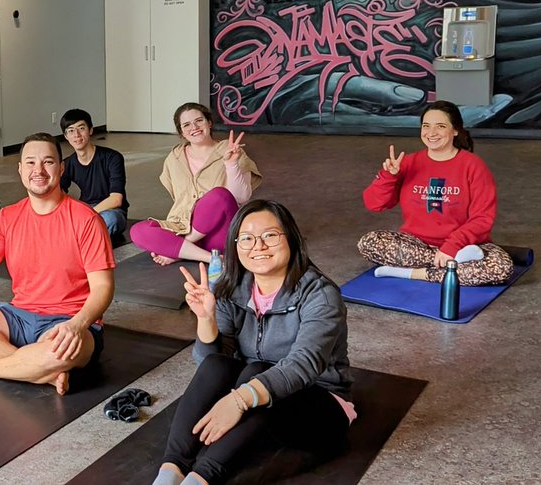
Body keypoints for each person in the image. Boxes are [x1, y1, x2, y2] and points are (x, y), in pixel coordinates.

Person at [153, 200, 353, 485]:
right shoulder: (232, 288)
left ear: (291, 238)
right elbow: (210, 363)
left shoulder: (320, 294)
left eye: (270, 235)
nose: (258, 246)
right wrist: (206, 318)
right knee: (217, 365)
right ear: (235, 246)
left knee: (255, 371)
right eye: (246, 238)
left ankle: (200, 479)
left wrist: (238, 400)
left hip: (318, 408)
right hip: (254, 395)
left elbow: (303, 365)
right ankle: (169, 472)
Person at [0, 133, 115, 395]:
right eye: (30, 163)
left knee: (57, 352)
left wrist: (78, 324)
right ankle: (39, 374)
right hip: (19, 316)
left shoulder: (86, 219)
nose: (38, 170)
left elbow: (103, 287)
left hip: (68, 321)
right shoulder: (8, 217)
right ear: (20, 169)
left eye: (48, 162)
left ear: (61, 168)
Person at [359, 100, 513, 286]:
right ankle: (451, 266)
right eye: (426, 126)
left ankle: (412, 273)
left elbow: (482, 218)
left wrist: (452, 247)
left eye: (440, 126)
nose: (431, 133)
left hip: (464, 245)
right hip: (416, 244)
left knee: (500, 267)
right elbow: (373, 204)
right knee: (369, 242)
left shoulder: (473, 165)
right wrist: (388, 176)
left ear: (455, 130)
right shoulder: (407, 162)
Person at [130, 103, 262, 265]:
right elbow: (178, 199)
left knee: (219, 195)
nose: (194, 127)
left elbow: (241, 197)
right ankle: (212, 259)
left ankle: (181, 249)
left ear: (209, 122)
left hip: (219, 234)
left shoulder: (231, 151)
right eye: (186, 125)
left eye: (199, 121)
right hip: (183, 226)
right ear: (181, 132)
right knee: (138, 231)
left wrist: (231, 163)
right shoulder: (175, 157)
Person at [58, 108, 129, 238]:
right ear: (66, 136)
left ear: (90, 130)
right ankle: (85, 238)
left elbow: (116, 199)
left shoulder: (112, 158)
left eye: (81, 128)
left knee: (112, 220)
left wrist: (88, 214)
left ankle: (79, 240)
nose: (77, 135)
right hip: (85, 208)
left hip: (110, 210)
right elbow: (58, 194)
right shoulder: (67, 164)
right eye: (71, 131)